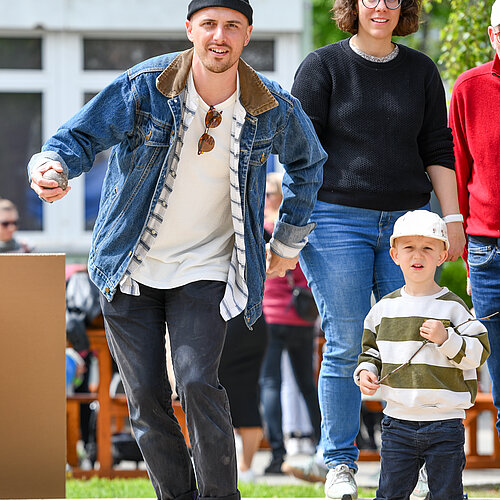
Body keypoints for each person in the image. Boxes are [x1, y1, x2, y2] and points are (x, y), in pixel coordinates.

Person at [27, 1, 326, 498]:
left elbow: (308, 164)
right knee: (144, 397)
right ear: (190, 29)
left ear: (247, 34)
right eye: (209, 24)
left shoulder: (270, 105)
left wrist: (288, 242)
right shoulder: (144, 86)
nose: (219, 36)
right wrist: (53, 164)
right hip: (130, 263)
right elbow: (78, 136)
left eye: (232, 26)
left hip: (207, 266)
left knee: (196, 382)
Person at [290, 0, 466, 496]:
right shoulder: (322, 67)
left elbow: (438, 147)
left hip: (410, 224)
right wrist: (292, 224)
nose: (382, 6)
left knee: (412, 338)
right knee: (348, 341)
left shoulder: (421, 70)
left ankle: (411, 463)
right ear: (352, 6)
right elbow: (300, 153)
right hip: (335, 220)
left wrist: (452, 219)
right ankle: (340, 465)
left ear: (404, 8)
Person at [354, 210, 490, 500]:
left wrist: (447, 339)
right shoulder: (382, 310)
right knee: (390, 494)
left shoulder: (453, 308)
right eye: (409, 248)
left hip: (445, 424)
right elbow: (369, 352)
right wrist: (367, 372)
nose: (418, 255)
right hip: (396, 423)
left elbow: (479, 353)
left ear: (442, 255)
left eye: (428, 248)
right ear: (394, 255)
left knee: (446, 494)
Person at [448, 0, 500, 441]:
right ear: (490, 34)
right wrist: (467, 257)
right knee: (498, 373)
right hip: (488, 252)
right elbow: (459, 171)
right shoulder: (468, 88)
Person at [260, 171, 321, 475]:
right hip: (302, 316)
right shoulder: (299, 228)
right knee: (307, 385)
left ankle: (276, 454)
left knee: (270, 383)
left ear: (272, 197)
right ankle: (324, 445)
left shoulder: (262, 228)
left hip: (270, 317)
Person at [218, 311, 268, 482]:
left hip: (228, 320)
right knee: (247, 394)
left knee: (219, 393)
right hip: (255, 320)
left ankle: (235, 466)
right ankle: (245, 468)